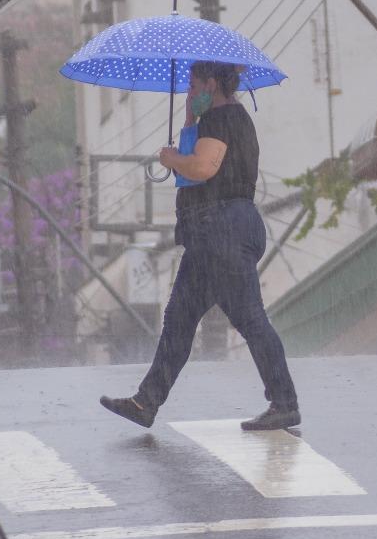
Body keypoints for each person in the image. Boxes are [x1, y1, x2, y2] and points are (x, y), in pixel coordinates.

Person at [99, 61, 301, 431]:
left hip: (221, 231)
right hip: (213, 233)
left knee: (250, 318)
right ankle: (146, 401)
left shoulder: (223, 118)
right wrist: (190, 121)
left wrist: (171, 158)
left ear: (212, 83)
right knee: (179, 319)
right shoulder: (216, 119)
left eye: (194, 86)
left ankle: (285, 401)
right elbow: (197, 164)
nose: (190, 92)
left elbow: (202, 168)